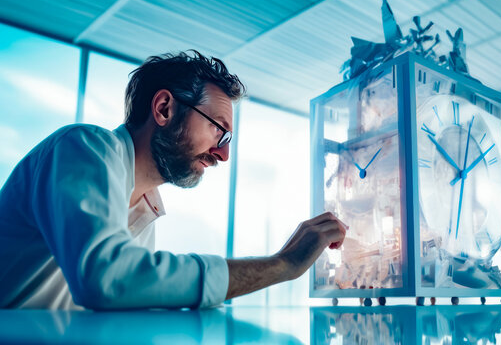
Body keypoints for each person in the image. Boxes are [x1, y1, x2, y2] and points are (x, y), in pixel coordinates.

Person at [0, 50, 347, 310]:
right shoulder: (82, 147)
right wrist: (281, 265)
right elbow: (108, 279)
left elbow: (127, 298)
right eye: (219, 131)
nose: (223, 155)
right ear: (164, 108)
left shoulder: (146, 205)